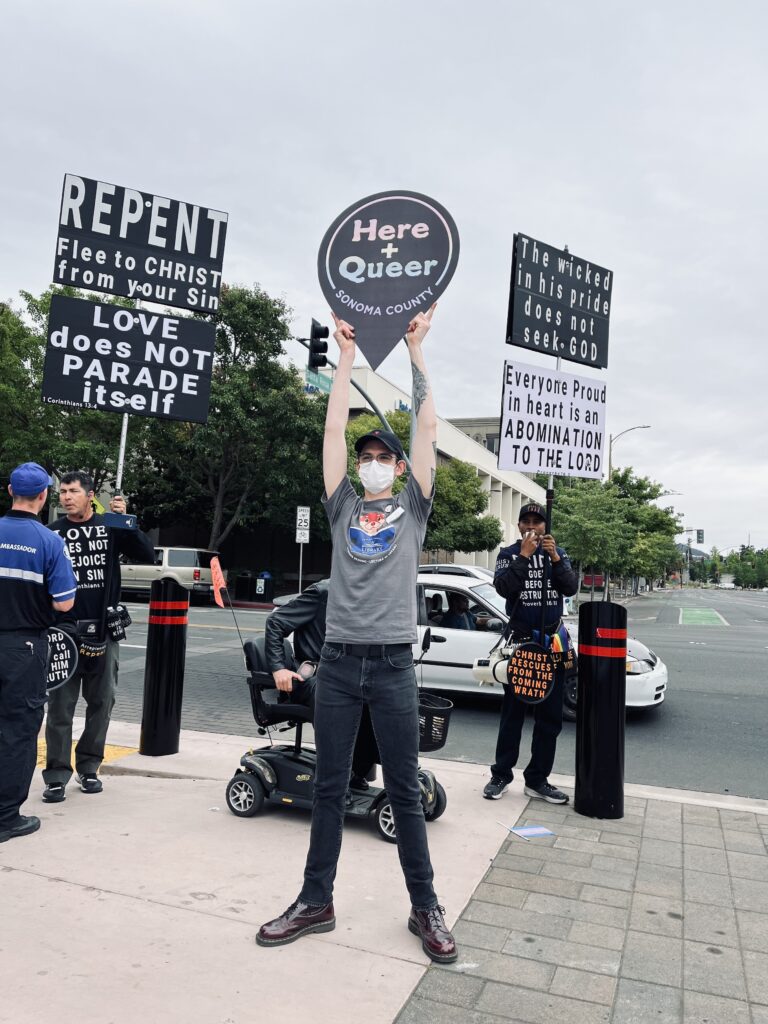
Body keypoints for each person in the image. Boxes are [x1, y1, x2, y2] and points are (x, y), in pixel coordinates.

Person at [257, 306, 457, 963]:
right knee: (327, 786)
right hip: (338, 666)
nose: (372, 463)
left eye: (383, 458)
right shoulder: (343, 506)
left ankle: (425, 908)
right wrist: (344, 358)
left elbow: (426, 427)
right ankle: (317, 900)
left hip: (395, 666)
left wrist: (417, 353)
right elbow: (333, 433)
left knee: (404, 787)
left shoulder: (414, 510)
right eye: (367, 456)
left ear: (399, 471)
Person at [42, 471, 154, 802]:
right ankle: (57, 775)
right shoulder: (53, 533)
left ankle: (89, 768)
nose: (65, 497)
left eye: (73, 491)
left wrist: (125, 520)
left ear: (90, 495)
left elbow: (146, 554)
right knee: (61, 706)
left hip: (104, 630)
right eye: (62, 492)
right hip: (63, 631)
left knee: (102, 702)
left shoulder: (110, 526)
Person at [0, 463, 77, 843]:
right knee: (17, 730)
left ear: (9, 490)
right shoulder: (49, 542)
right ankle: (5, 818)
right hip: (23, 648)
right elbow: (65, 603)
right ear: (45, 496)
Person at [483, 502, 578, 804]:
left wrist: (555, 558)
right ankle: (500, 775)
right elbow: (503, 587)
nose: (533, 527)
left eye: (538, 522)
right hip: (522, 642)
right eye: (527, 521)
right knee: (513, 714)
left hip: (553, 642)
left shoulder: (558, 554)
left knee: (550, 718)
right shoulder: (508, 554)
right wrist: (524, 556)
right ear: (519, 525)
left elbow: (571, 587)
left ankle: (538, 779)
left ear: (546, 526)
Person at [264, 578, 380, 793]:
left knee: (377, 703)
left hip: (345, 676)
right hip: (314, 679)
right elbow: (276, 622)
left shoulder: (363, 595)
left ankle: (358, 770)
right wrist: (278, 668)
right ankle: (332, 781)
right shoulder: (323, 592)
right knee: (335, 701)